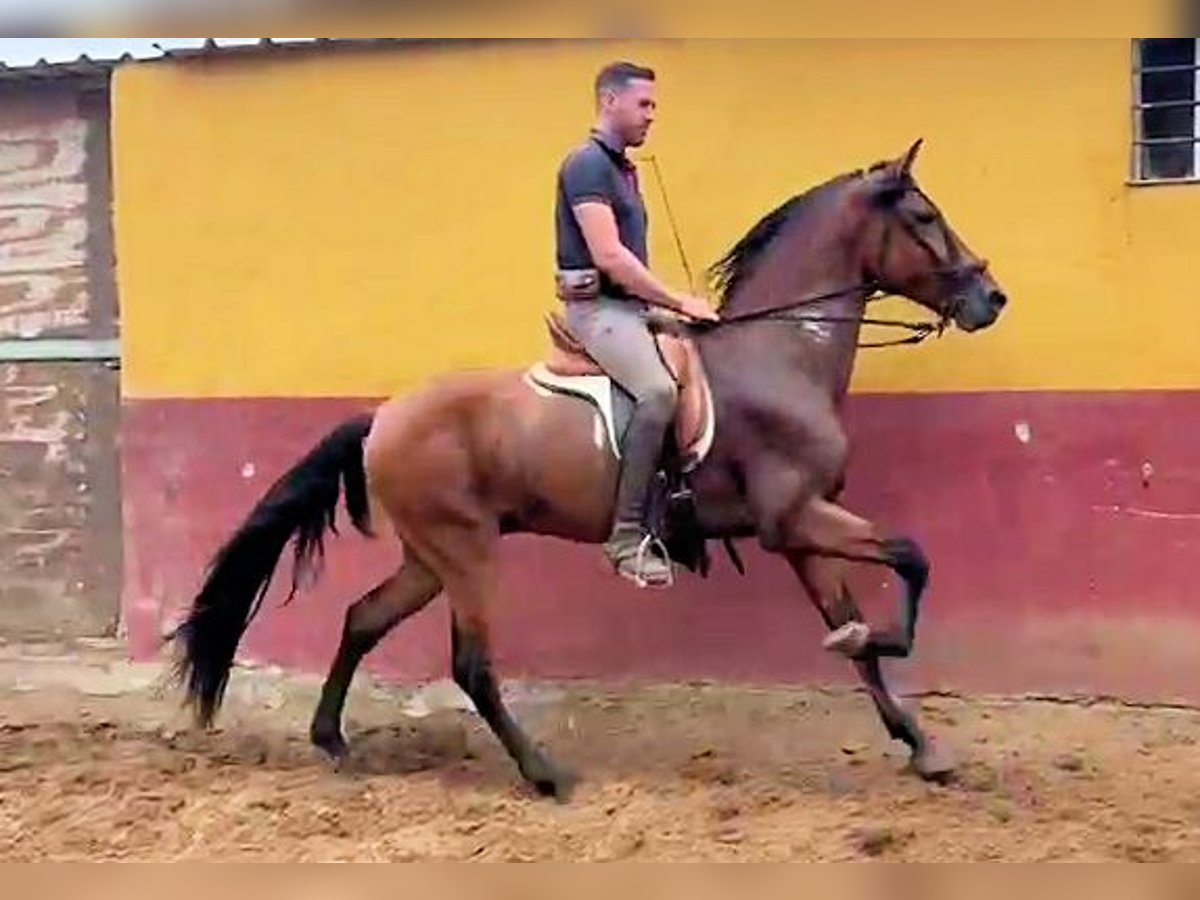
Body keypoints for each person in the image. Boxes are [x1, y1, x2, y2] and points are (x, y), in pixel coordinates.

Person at [554, 60, 718, 588]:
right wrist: (679, 301)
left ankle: (676, 508)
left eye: (654, 106)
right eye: (644, 104)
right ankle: (625, 537)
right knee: (656, 391)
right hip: (597, 311)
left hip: (629, 308)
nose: (652, 116)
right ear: (610, 102)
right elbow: (610, 256)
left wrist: (674, 312)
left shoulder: (625, 168)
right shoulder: (586, 166)